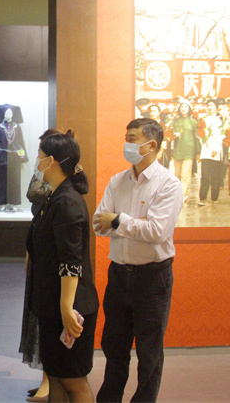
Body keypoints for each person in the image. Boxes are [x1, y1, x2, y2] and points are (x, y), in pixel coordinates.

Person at [93, 118, 183, 403]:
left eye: (132, 138)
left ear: (151, 145)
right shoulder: (117, 181)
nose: (126, 144)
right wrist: (129, 224)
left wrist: (118, 221)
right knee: (114, 346)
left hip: (152, 277)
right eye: (126, 137)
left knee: (149, 352)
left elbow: (157, 232)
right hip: (119, 274)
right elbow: (98, 223)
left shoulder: (168, 184)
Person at [26, 131, 98, 403]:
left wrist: (66, 308)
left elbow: (71, 263)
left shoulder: (68, 202)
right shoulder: (55, 198)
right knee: (56, 375)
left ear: (53, 161)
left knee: (73, 380)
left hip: (70, 306)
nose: (37, 162)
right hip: (51, 304)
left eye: (40, 156)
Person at [20, 128, 63, 402]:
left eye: (41, 152)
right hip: (39, 243)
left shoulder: (65, 181)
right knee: (38, 316)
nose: (38, 158)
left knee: (47, 318)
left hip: (52, 253)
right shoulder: (49, 177)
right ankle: (46, 379)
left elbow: (34, 192)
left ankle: (51, 381)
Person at [170, 100, 198, 202]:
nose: (183, 109)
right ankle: (177, 193)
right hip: (178, 149)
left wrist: (197, 151)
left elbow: (197, 135)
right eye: (182, 107)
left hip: (189, 149)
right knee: (177, 174)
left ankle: (182, 194)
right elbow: (171, 132)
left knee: (185, 174)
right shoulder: (175, 121)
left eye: (185, 107)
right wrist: (174, 134)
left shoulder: (193, 121)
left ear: (189, 109)